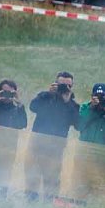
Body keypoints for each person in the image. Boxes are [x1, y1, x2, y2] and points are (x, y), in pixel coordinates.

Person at [27, 72, 79, 201]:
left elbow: (77, 124)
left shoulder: (72, 105)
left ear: (72, 87)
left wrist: (67, 102)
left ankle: (48, 202)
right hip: (38, 142)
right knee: (33, 173)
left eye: (68, 86)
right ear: (55, 84)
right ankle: (30, 200)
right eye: (62, 85)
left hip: (57, 146)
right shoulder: (45, 96)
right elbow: (32, 107)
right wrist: (48, 93)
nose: (65, 88)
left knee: (53, 176)